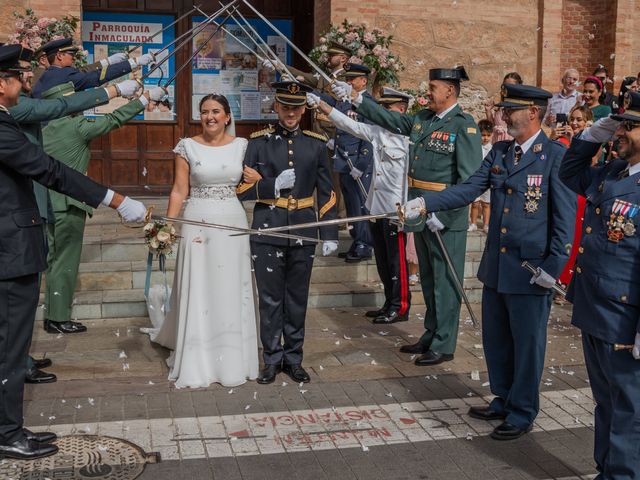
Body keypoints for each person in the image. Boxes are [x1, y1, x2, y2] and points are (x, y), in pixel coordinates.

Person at [402, 83, 576, 440]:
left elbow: (565, 218)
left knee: (527, 344)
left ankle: (523, 409)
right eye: (503, 108)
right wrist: (424, 203)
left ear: (532, 112)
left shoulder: (555, 156)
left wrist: (553, 268)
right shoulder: (500, 152)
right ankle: (504, 397)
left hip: (531, 271)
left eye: (510, 109)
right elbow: (470, 188)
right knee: (497, 338)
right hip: (498, 266)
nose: (502, 116)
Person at [0, 43, 146, 460]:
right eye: (16, 76)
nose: (24, 81)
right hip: (9, 252)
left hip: (9, 249)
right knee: (10, 349)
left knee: (8, 346)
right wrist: (115, 199)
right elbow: (48, 169)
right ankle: (6, 433)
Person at [334, 65, 483, 365]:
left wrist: (445, 211)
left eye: (433, 88)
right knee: (428, 279)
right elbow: (389, 118)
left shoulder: (463, 125)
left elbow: (469, 182)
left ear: (450, 91)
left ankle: (444, 342)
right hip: (420, 211)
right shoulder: (423, 120)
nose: (427, 92)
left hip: (444, 218)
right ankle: (430, 334)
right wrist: (357, 99)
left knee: (444, 282)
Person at [144, 94, 259, 388]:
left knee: (231, 286)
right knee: (201, 284)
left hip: (232, 220)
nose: (210, 116)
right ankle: (198, 356)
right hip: (197, 222)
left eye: (216, 111)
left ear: (227, 117)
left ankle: (233, 356)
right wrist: (167, 226)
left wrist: (257, 181)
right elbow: (179, 191)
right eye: (205, 111)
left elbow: (251, 186)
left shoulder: (242, 146)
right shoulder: (187, 146)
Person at [40, 81, 164, 335]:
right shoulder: (75, 126)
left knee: (54, 260)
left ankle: (52, 313)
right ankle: (59, 318)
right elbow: (114, 120)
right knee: (65, 262)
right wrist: (143, 100)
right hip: (69, 203)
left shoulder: (45, 128)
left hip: (47, 203)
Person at [558, 93, 640, 478]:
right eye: (619, 124)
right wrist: (597, 131)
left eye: (628, 125)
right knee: (606, 401)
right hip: (595, 306)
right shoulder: (612, 172)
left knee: (630, 409)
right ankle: (607, 469)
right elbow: (569, 171)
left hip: (625, 315)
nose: (620, 132)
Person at [237, 81, 339, 385]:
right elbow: (241, 191)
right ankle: (271, 358)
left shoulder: (316, 143)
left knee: (297, 297)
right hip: (268, 227)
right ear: (276, 107)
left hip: (304, 228)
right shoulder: (257, 143)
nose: (291, 112)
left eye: (296, 106)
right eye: (285, 106)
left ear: (304, 108)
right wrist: (271, 185)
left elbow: (327, 192)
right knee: (269, 298)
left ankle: (294, 358)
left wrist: (329, 231)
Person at [307, 86, 411, 324]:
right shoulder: (378, 132)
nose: (383, 111)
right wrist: (323, 105)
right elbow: (347, 124)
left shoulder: (408, 138)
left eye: (388, 107)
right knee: (384, 261)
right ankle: (388, 302)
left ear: (401, 110)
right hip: (377, 207)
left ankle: (401, 305)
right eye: (382, 107)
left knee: (397, 263)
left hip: (397, 210)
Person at [325, 63, 375, 262]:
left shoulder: (367, 103)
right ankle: (357, 240)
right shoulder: (345, 102)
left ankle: (365, 244)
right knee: (352, 206)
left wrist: (362, 164)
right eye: (347, 79)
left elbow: (369, 135)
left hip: (357, 165)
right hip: (345, 162)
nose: (349, 82)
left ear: (363, 81)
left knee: (361, 206)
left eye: (352, 79)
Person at [32, 38, 153, 98]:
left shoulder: (50, 74)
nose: (73, 58)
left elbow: (82, 72)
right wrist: (133, 62)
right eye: (71, 55)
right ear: (59, 56)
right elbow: (96, 76)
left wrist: (107, 61)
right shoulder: (64, 73)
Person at [469, 119, 494, 233]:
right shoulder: (474, 147)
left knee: (486, 204)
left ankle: (486, 225)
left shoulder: (493, 149)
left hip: (487, 179)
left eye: (488, 135)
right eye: (483, 135)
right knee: (475, 203)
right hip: (476, 178)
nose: (485, 138)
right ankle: (473, 223)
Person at [485, 72, 522, 143]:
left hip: (511, 140)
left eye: (511, 86)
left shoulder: (520, 105)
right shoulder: (501, 105)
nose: (507, 88)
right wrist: (488, 111)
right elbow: (493, 126)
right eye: (505, 85)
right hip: (497, 140)